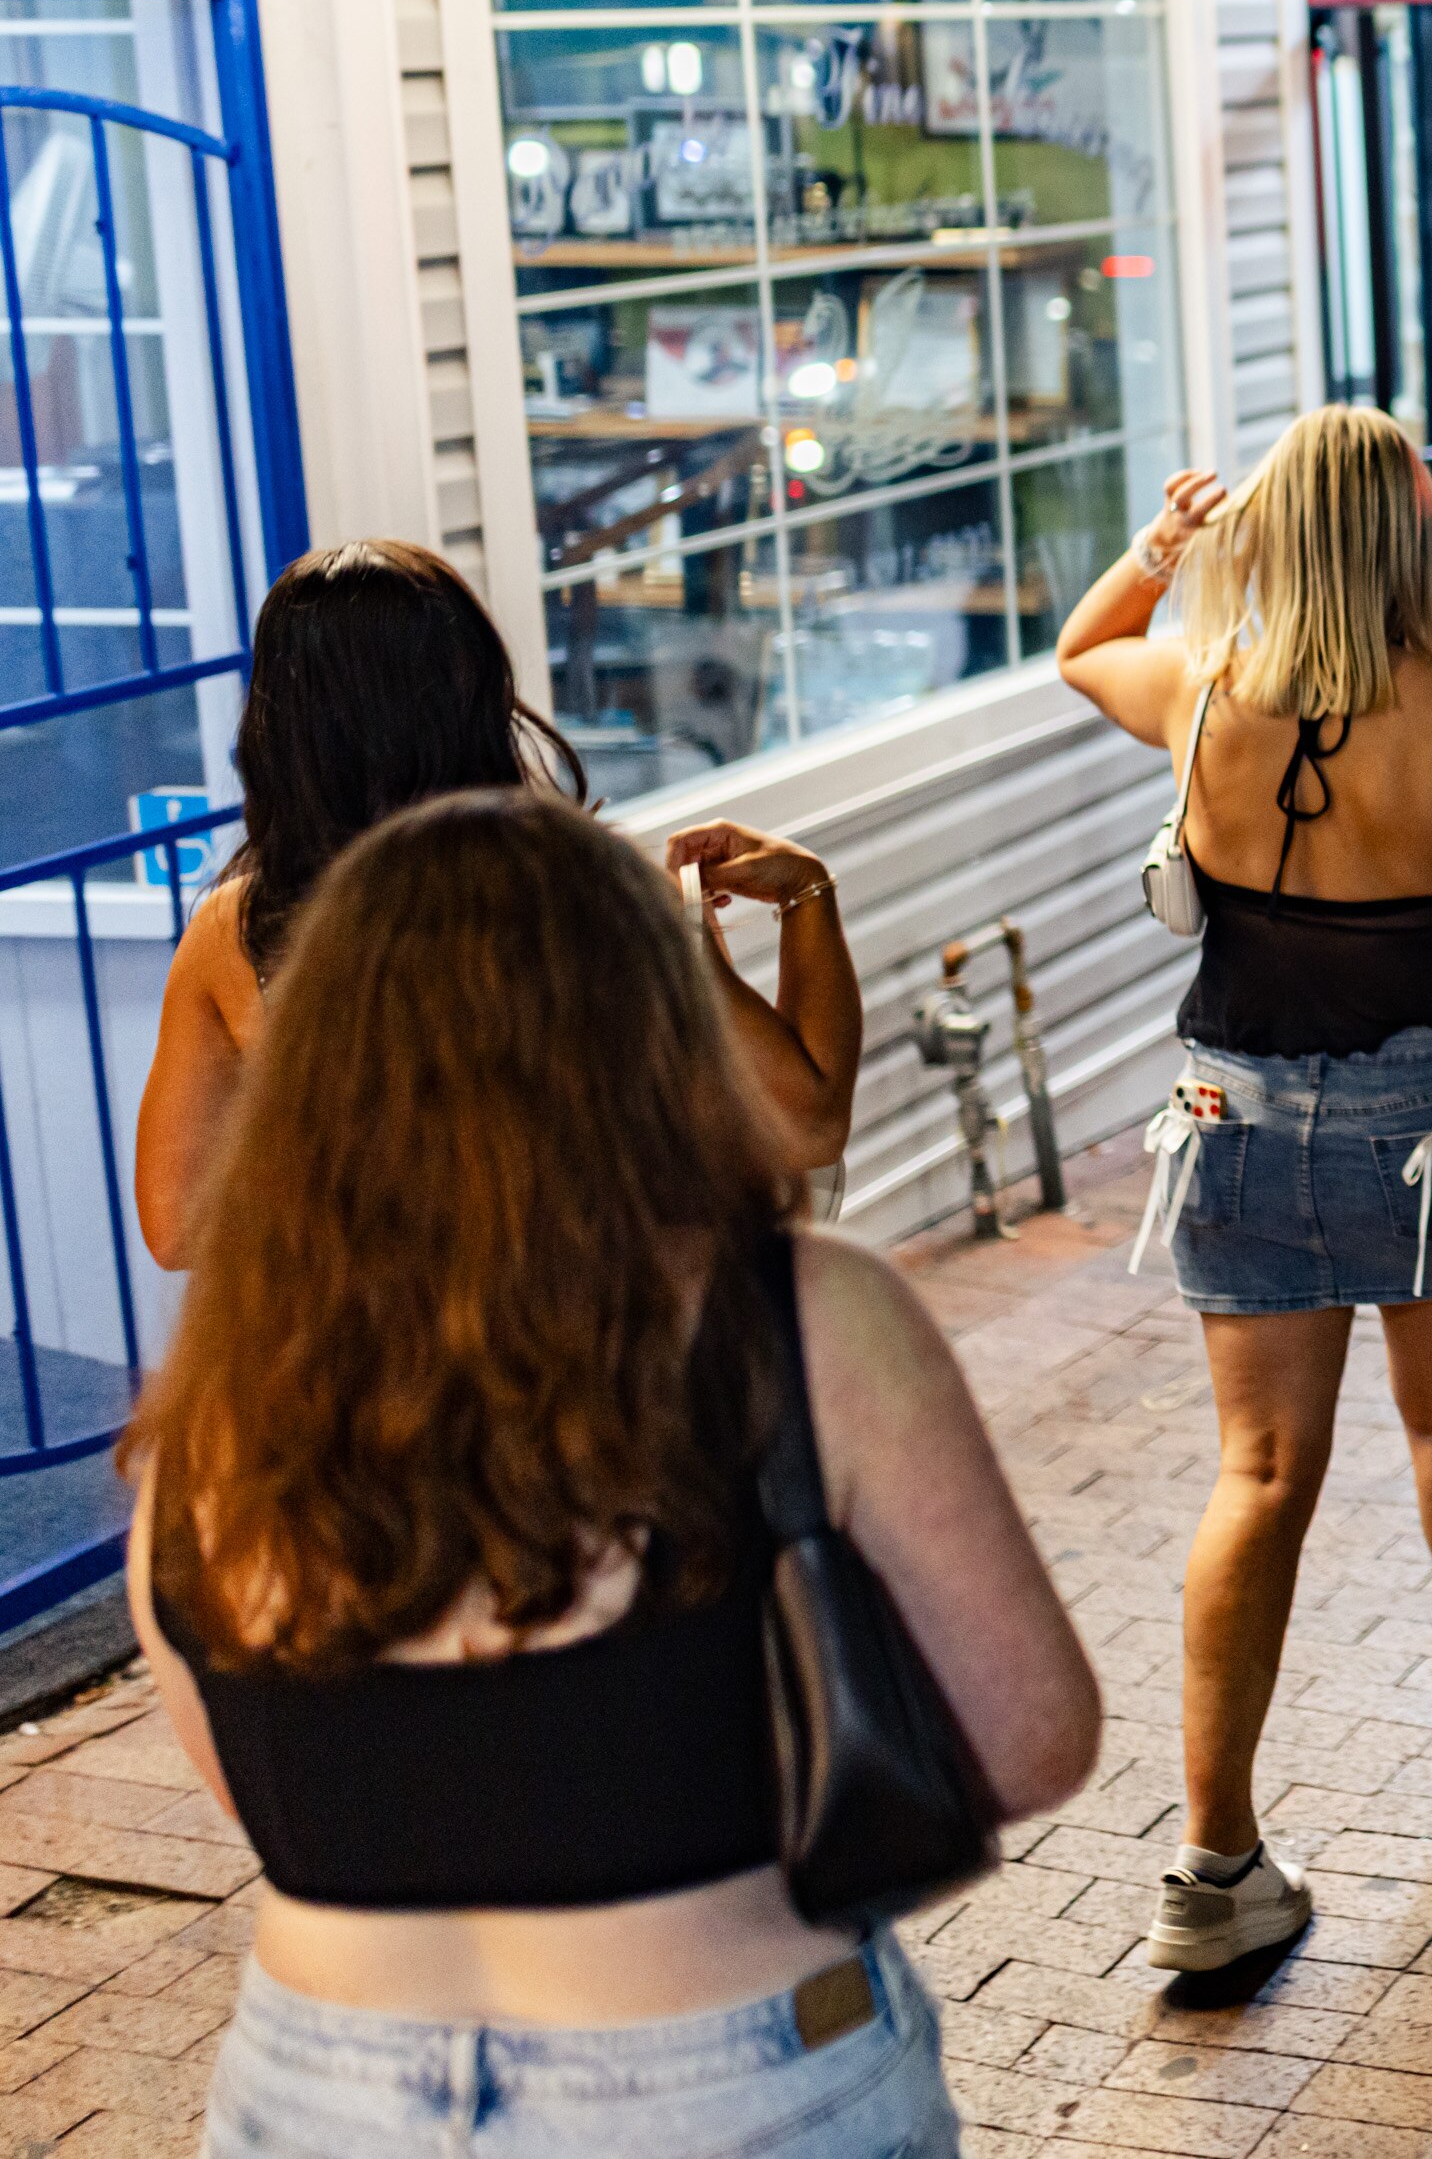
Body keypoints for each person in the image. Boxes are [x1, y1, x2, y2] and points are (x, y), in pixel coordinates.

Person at [125, 789, 1098, 2159]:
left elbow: (253, 1782)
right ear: (649, 1033)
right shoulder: (803, 1318)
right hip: (731, 2074)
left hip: (314, 2090)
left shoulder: (223, 1395)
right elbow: (1028, 1737)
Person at [1056, 407, 1432, 1969]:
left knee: (1258, 1476)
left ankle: (1217, 1865)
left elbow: (1080, 647)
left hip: (1226, 1113)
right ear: (1405, 535)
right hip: (1426, 1130)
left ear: (1276, 534)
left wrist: (1162, 549)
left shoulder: (1201, 689)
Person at [134, 540, 859, 1269]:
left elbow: (175, 1225)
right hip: (600, 1342)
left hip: (374, 1362)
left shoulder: (234, 934)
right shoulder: (604, 893)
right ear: (475, 698)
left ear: (279, 729)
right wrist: (805, 892)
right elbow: (803, 1129)